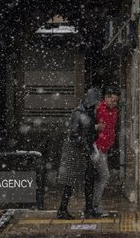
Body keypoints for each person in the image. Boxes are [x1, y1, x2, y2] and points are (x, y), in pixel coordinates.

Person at [57, 88, 103, 219]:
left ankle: (89, 208)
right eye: (98, 101)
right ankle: (62, 210)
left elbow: (89, 131)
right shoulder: (79, 113)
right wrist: (85, 145)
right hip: (74, 150)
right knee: (70, 181)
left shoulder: (89, 112)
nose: (99, 104)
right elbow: (74, 135)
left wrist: (91, 145)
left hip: (84, 149)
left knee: (90, 178)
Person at [93, 86, 120, 217]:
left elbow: (111, 128)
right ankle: (95, 205)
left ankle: (92, 205)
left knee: (98, 176)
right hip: (96, 148)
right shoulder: (98, 109)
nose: (114, 103)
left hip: (105, 148)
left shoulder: (114, 110)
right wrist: (97, 128)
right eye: (113, 100)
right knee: (104, 175)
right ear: (106, 98)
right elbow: (88, 126)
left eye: (116, 101)